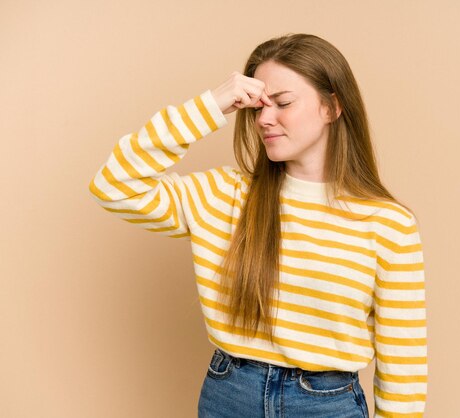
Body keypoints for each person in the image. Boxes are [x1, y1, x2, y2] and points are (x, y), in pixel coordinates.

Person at [89, 33, 427, 418]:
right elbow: (113, 185)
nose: (264, 118)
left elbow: (404, 362)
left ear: (332, 107)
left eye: (282, 103)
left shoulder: (387, 223)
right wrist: (210, 106)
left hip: (326, 405)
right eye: (257, 108)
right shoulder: (222, 195)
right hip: (229, 395)